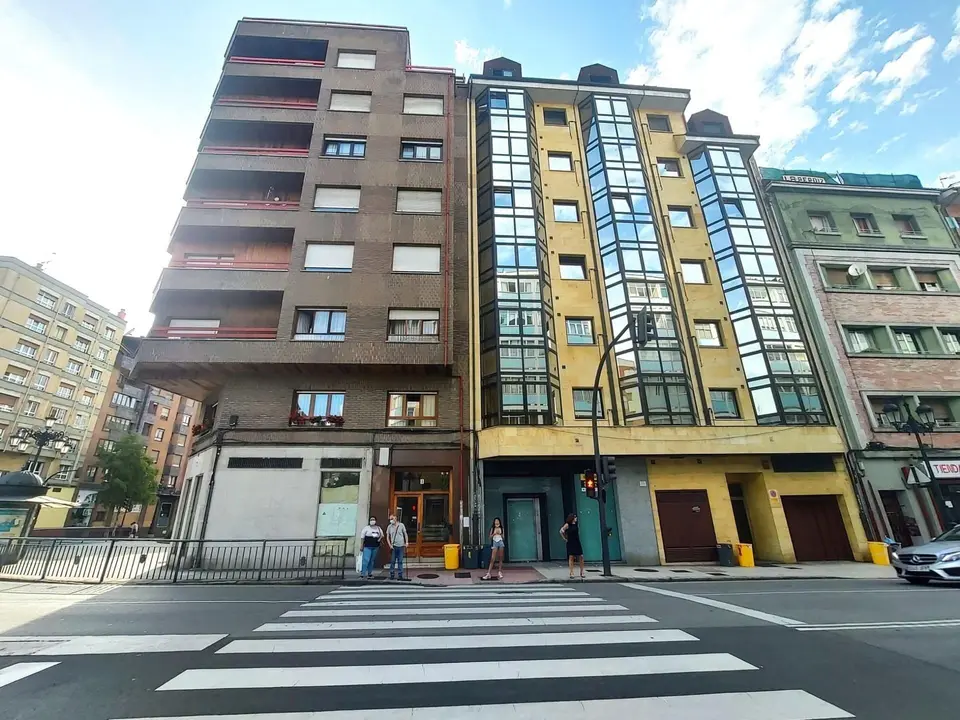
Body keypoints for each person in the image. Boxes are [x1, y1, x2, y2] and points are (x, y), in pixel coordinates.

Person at [560, 514, 585, 579]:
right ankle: (571, 572)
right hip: (571, 541)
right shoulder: (568, 525)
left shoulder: (576, 525)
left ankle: (582, 571)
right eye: (575, 517)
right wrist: (565, 538)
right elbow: (561, 531)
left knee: (581, 556)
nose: (576, 518)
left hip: (577, 541)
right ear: (572, 518)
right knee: (571, 557)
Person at [386, 514, 408, 581]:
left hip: (401, 546)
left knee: (400, 561)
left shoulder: (401, 525)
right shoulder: (389, 526)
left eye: (392, 519)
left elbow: (405, 534)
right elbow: (387, 537)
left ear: (395, 519)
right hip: (393, 546)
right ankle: (392, 574)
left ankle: (400, 575)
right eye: (390, 519)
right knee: (392, 561)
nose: (391, 520)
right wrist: (390, 545)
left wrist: (406, 542)